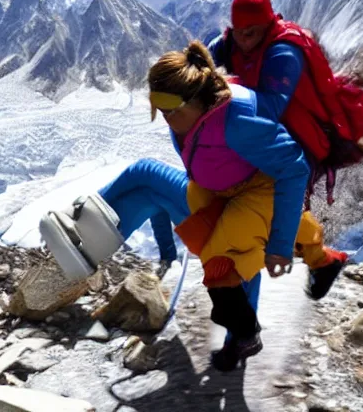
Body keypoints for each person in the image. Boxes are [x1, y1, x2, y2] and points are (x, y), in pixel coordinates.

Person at [98, 40, 310, 371]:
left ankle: (241, 338)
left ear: (196, 101)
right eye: (158, 107)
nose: (164, 117)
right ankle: (86, 229)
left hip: (257, 196)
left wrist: (280, 247)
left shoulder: (238, 119)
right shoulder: (187, 118)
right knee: (144, 179)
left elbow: (295, 168)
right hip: (216, 192)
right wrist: (168, 252)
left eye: (169, 109)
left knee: (226, 264)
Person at [206, 0, 353, 301]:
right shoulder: (234, 40)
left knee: (267, 203)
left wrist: (222, 91)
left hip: (299, 138)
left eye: (252, 33)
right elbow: (205, 58)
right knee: (271, 204)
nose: (244, 40)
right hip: (268, 134)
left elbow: (271, 106)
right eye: (239, 33)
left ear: (267, 24)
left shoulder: (284, 51)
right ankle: (322, 260)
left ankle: (312, 261)